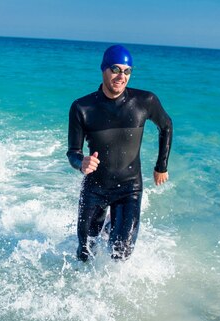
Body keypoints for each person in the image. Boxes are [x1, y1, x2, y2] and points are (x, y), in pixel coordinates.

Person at [67, 45, 173, 261]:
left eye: (127, 71)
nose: (121, 76)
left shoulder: (145, 102)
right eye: (115, 69)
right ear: (104, 69)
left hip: (129, 188)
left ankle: (112, 229)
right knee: (85, 252)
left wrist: (161, 166)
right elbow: (73, 152)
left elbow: (166, 126)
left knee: (120, 254)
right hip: (95, 187)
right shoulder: (82, 108)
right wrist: (81, 163)